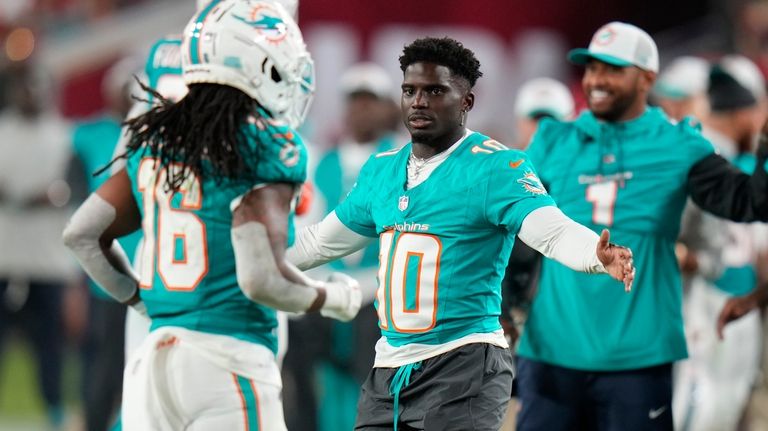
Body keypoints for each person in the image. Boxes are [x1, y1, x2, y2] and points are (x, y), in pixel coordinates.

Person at [287, 36, 635, 431]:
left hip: (463, 364)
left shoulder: (496, 166)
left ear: (466, 102)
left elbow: (551, 231)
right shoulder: (381, 170)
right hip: (389, 369)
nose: (419, 101)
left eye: (435, 91)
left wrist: (595, 253)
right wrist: (247, 261)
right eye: (410, 90)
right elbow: (319, 242)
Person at [62, 1, 360, 430]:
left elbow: (81, 235)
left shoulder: (155, 136)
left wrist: (139, 298)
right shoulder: (269, 144)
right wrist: (332, 297)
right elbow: (261, 278)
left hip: (155, 358)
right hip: (228, 357)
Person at [514, 21, 768, 431]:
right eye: (593, 68)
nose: (597, 80)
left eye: (613, 69)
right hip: (552, 352)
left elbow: (751, 201)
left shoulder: (679, 145)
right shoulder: (553, 140)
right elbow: (512, 225)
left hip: (638, 358)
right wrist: (507, 299)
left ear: (647, 77)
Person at [282, 61, 399, 431]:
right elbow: (307, 225)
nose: (362, 108)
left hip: (380, 292)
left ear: (386, 108)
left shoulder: (405, 159)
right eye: (355, 99)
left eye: (371, 100)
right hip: (331, 286)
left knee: (377, 389)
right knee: (297, 362)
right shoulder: (320, 161)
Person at [672, 59, 767, 431]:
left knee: (722, 404)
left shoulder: (737, 156)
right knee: (699, 406)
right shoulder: (705, 154)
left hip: (734, 302)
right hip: (702, 301)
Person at [0, 59, 76, 430]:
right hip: (5, 255)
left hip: (48, 259)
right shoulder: (2, 132)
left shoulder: (63, 135)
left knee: (50, 345)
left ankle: (55, 410)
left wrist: (48, 197)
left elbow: (74, 190)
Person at [70, 56, 143, 431]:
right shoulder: (89, 135)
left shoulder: (156, 136)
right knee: (104, 364)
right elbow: (77, 214)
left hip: (153, 270)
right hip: (108, 268)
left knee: (143, 365)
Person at [512, 77, 574, 149]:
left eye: (552, 119)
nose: (543, 126)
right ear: (520, 122)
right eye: (537, 118)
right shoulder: (500, 158)